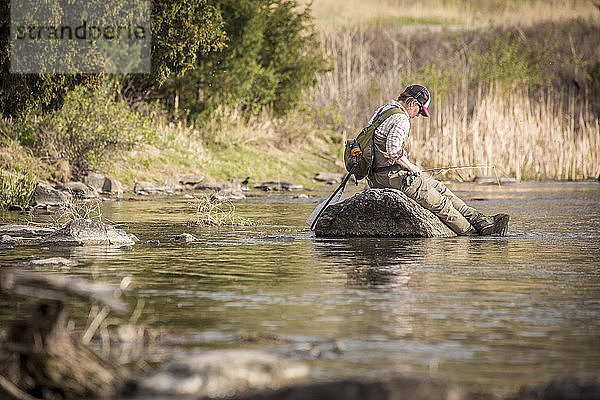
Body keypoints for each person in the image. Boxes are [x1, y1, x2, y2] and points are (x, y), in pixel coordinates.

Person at [367, 84, 509, 236]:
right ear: (413, 103)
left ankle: (480, 220)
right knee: (440, 203)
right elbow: (393, 150)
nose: (418, 115)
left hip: (378, 175)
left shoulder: (384, 110)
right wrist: (411, 167)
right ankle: (472, 234)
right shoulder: (401, 119)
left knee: (440, 188)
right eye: (420, 110)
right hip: (391, 177)